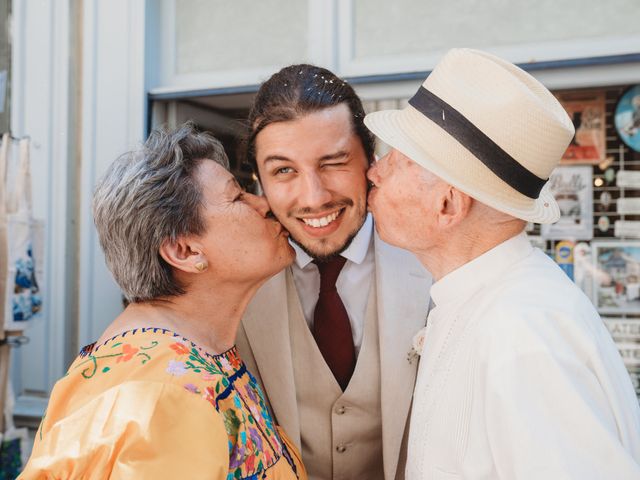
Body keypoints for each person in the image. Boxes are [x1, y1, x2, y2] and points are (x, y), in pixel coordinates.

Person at [365, 48, 640, 479]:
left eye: (396, 159)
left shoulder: (520, 332)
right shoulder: (497, 305)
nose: (374, 172)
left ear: (447, 204)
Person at [20, 124, 306, 479]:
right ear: (184, 251)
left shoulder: (194, 358)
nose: (264, 204)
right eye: (238, 196)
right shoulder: (162, 396)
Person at [236, 64, 432, 480]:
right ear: (259, 182)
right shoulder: (233, 283)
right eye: (284, 170)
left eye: (334, 162)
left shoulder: (434, 263)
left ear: (370, 162)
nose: (314, 197)